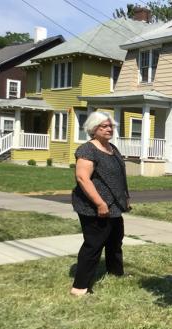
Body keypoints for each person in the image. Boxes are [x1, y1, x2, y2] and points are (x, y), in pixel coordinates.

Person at [70, 111, 130, 296]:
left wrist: (124, 197)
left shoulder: (112, 148)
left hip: (114, 206)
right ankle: (80, 287)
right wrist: (99, 203)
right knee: (93, 244)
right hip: (94, 207)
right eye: (104, 126)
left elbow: (118, 176)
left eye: (110, 125)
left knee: (115, 240)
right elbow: (82, 178)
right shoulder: (88, 150)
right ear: (93, 129)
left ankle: (115, 272)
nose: (109, 129)